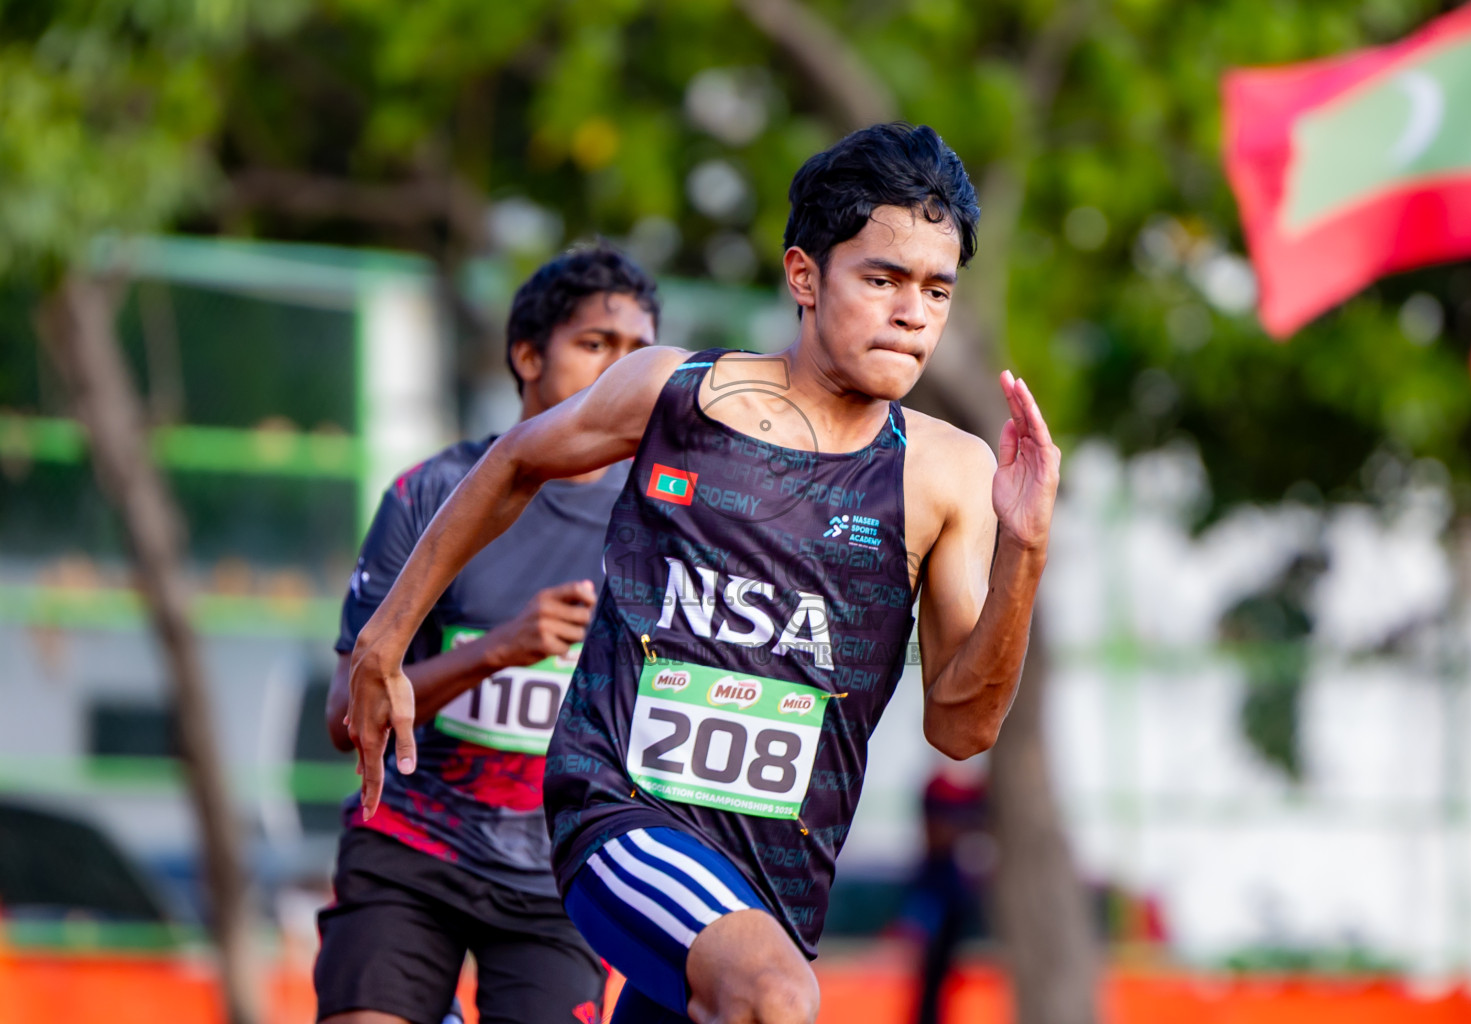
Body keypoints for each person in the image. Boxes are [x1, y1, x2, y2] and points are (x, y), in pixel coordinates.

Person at [348, 123, 1061, 1024]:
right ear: (805, 276)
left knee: (760, 983)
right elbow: (515, 462)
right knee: (772, 997)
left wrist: (1026, 549)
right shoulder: (674, 394)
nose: (911, 312)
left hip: (775, 883)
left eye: (935, 289)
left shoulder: (946, 472)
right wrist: (386, 634)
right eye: (881, 279)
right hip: (619, 814)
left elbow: (962, 726)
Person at [314, 242, 659, 1024]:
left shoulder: (661, 522)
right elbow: (344, 719)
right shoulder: (430, 494)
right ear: (527, 355)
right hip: (408, 854)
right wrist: (499, 650)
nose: (620, 372)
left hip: (561, 880)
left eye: (639, 353)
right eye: (596, 344)